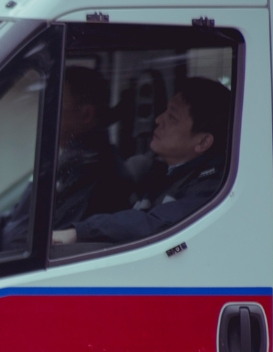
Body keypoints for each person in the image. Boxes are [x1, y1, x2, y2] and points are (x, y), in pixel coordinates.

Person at [53, 76, 232, 246]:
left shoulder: (213, 188)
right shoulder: (158, 169)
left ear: (202, 142)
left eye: (172, 118)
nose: (158, 119)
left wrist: (80, 232)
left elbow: (154, 224)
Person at [0, 66, 130, 253]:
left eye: (56, 106)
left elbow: (42, 241)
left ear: (86, 115)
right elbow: (20, 219)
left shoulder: (94, 170)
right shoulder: (70, 160)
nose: (48, 114)